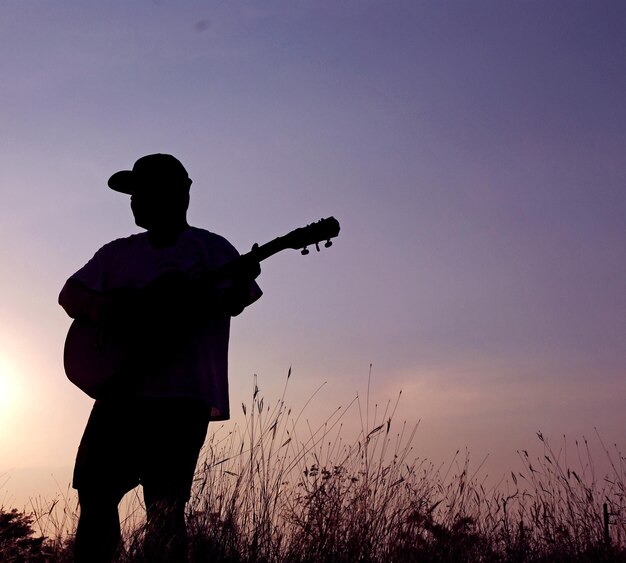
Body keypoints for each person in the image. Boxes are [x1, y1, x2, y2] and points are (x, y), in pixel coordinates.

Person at [58, 153, 262, 562]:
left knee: (165, 507)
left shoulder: (211, 249)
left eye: (142, 192)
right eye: (132, 195)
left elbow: (237, 300)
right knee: (95, 493)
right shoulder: (117, 253)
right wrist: (108, 309)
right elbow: (70, 294)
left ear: (180, 194)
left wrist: (238, 284)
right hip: (121, 391)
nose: (134, 202)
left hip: (179, 397)